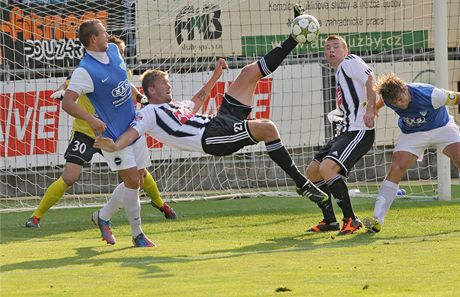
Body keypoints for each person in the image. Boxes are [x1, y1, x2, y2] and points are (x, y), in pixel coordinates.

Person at [94, 7, 328, 206]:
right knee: (267, 128)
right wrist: (114, 144)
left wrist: (216, 76)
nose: (169, 86)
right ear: (151, 90)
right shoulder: (149, 113)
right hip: (212, 137)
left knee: (248, 73)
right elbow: (132, 132)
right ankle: (302, 183)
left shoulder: (174, 106)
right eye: (164, 83)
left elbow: (197, 100)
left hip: (219, 120)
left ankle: (294, 39)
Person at [25, 36, 177, 230]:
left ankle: (160, 203)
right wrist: (62, 90)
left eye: (123, 53)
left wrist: (139, 97)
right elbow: (68, 83)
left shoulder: (121, 69)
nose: (121, 56)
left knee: (140, 173)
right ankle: (36, 216)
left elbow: (126, 86)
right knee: (70, 177)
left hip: (110, 133)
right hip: (85, 132)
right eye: (119, 52)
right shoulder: (91, 71)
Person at [61, 19, 157, 247]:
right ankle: (138, 235)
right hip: (113, 136)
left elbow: (124, 82)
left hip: (134, 127)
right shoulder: (85, 71)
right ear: (93, 39)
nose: (108, 35)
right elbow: (67, 103)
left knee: (139, 179)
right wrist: (91, 119)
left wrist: (140, 98)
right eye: (104, 32)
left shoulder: (114, 51)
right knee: (132, 181)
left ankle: (103, 217)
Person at [363, 73, 460, 233]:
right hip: (412, 133)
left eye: (401, 100)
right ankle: (376, 220)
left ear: (405, 88)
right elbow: (383, 102)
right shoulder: (390, 98)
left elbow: (457, 97)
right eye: (395, 103)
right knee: (396, 168)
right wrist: (374, 110)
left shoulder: (432, 95)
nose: (400, 105)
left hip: (442, 127)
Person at [304, 35, 377, 235]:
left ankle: (351, 219)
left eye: (336, 47)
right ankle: (330, 221)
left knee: (327, 168)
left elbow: (371, 80)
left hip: (359, 131)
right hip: (345, 130)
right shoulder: (340, 72)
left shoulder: (350, 62)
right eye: (327, 48)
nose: (331, 50)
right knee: (313, 171)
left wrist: (370, 110)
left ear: (345, 51)